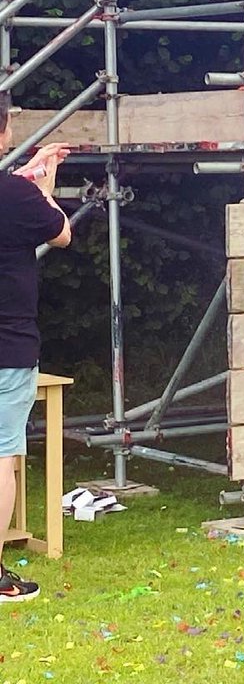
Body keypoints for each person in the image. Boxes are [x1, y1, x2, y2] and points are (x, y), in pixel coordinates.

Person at [0, 95, 71, 603]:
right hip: (8, 347)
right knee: (1, 458)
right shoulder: (17, 198)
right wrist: (42, 186)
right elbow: (60, 232)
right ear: (3, 132)